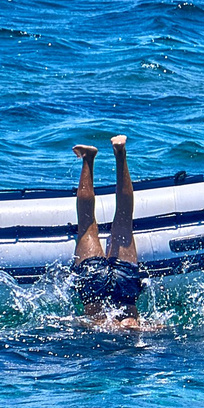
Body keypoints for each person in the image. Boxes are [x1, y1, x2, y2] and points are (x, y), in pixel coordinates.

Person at [69, 135, 148, 326]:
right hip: (94, 287)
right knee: (87, 225)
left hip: (125, 286)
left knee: (124, 219)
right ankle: (88, 158)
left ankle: (119, 153)